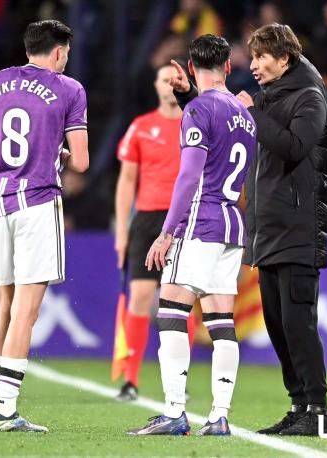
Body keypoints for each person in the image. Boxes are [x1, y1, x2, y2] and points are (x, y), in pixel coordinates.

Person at [171, 22, 327, 436]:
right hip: (268, 230)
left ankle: (319, 410)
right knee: (279, 326)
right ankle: (299, 406)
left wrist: (256, 111)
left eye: (263, 57)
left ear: (285, 59)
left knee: (299, 325)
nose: (255, 64)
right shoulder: (273, 97)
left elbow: (295, 147)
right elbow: (224, 124)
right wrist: (189, 96)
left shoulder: (309, 98)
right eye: (253, 56)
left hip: (298, 229)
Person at [0, 19, 88, 433]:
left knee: (6, 304)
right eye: (66, 53)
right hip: (36, 200)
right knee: (26, 311)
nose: (66, 60)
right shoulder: (69, 89)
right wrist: (59, 153)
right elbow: (83, 163)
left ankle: (0, 402)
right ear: (56, 51)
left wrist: (3, 150)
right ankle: (5, 411)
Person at [128, 34, 256, 436]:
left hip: (201, 222)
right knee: (221, 321)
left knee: (171, 310)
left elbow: (189, 175)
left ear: (190, 65)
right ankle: (219, 416)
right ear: (229, 67)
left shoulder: (199, 109)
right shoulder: (244, 112)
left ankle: (174, 412)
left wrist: (167, 233)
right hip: (233, 222)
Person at [114, 64, 197, 401]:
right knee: (140, 298)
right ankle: (130, 380)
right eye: (163, 79)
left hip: (185, 219)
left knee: (182, 302)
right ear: (156, 86)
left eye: (173, 79)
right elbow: (126, 182)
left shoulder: (197, 123)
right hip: (147, 220)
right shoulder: (141, 127)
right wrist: (122, 231)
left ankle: (179, 378)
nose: (168, 85)